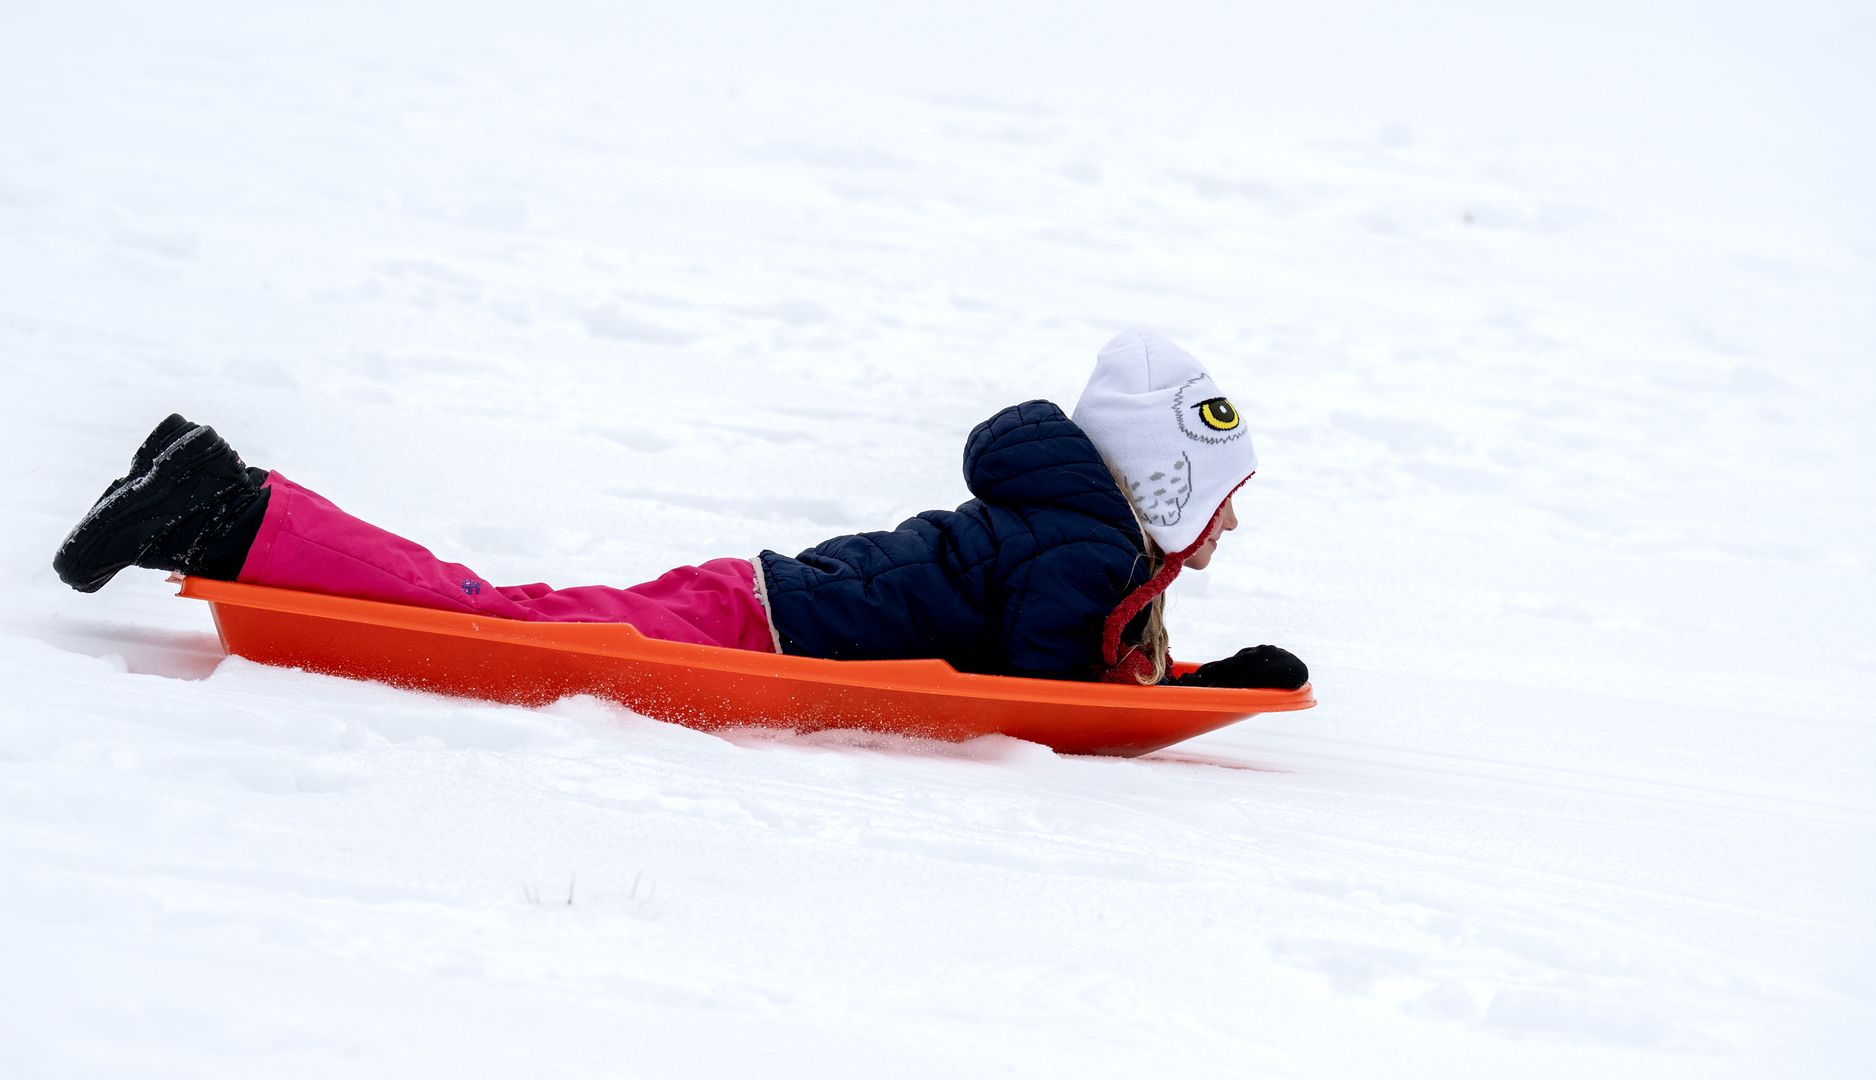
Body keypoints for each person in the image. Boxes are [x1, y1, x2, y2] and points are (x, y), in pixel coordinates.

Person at [53, 330, 1307, 689]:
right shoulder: (1084, 551)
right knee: (501, 626)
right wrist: (1198, 689)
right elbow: (1054, 690)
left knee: (514, 610)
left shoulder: (1072, 535)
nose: (1229, 530)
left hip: (753, 599)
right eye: (1221, 502)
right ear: (1163, 488)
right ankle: (227, 507)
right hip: (753, 631)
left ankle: (217, 503)